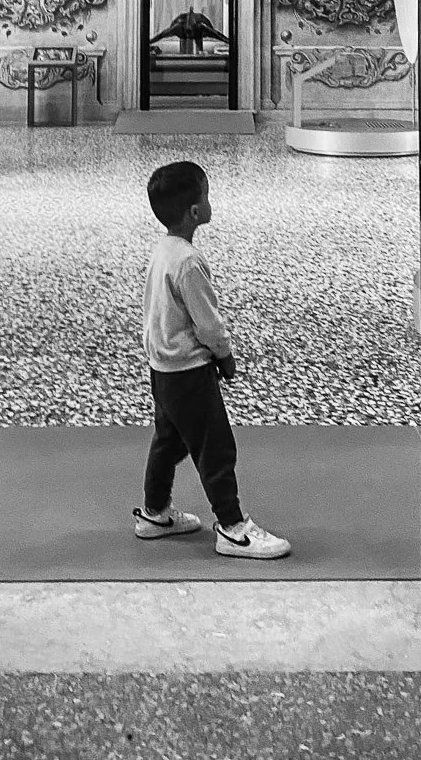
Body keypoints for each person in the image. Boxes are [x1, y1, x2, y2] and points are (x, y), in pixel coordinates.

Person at [133, 161, 291, 560]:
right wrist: (225, 355)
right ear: (195, 212)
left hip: (163, 369)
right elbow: (208, 322)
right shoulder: (188, 263)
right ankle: (233, 528)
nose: (209, 200)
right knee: (215, 447)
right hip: (189, 370)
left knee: (168, 441)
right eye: (206, 195)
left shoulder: (163, 252)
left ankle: (154, 513)